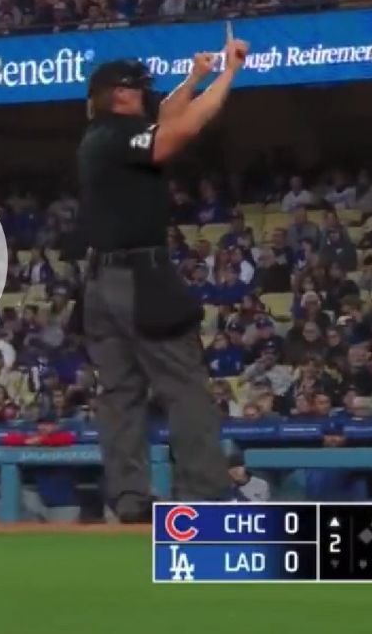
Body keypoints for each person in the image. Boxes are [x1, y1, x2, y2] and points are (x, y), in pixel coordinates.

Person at [75, 29, 249, 522]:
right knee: (185, 387)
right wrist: (229, 73)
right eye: (140, 89)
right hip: (139, 279)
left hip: (100, 283)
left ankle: (130, 501)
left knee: (121, 394)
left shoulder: (102, 137)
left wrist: (197, 75)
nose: (149, 96)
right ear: (120, 94)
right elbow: (179, 132)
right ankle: (207, 495)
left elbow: (166, 120)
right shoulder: (112, 134)